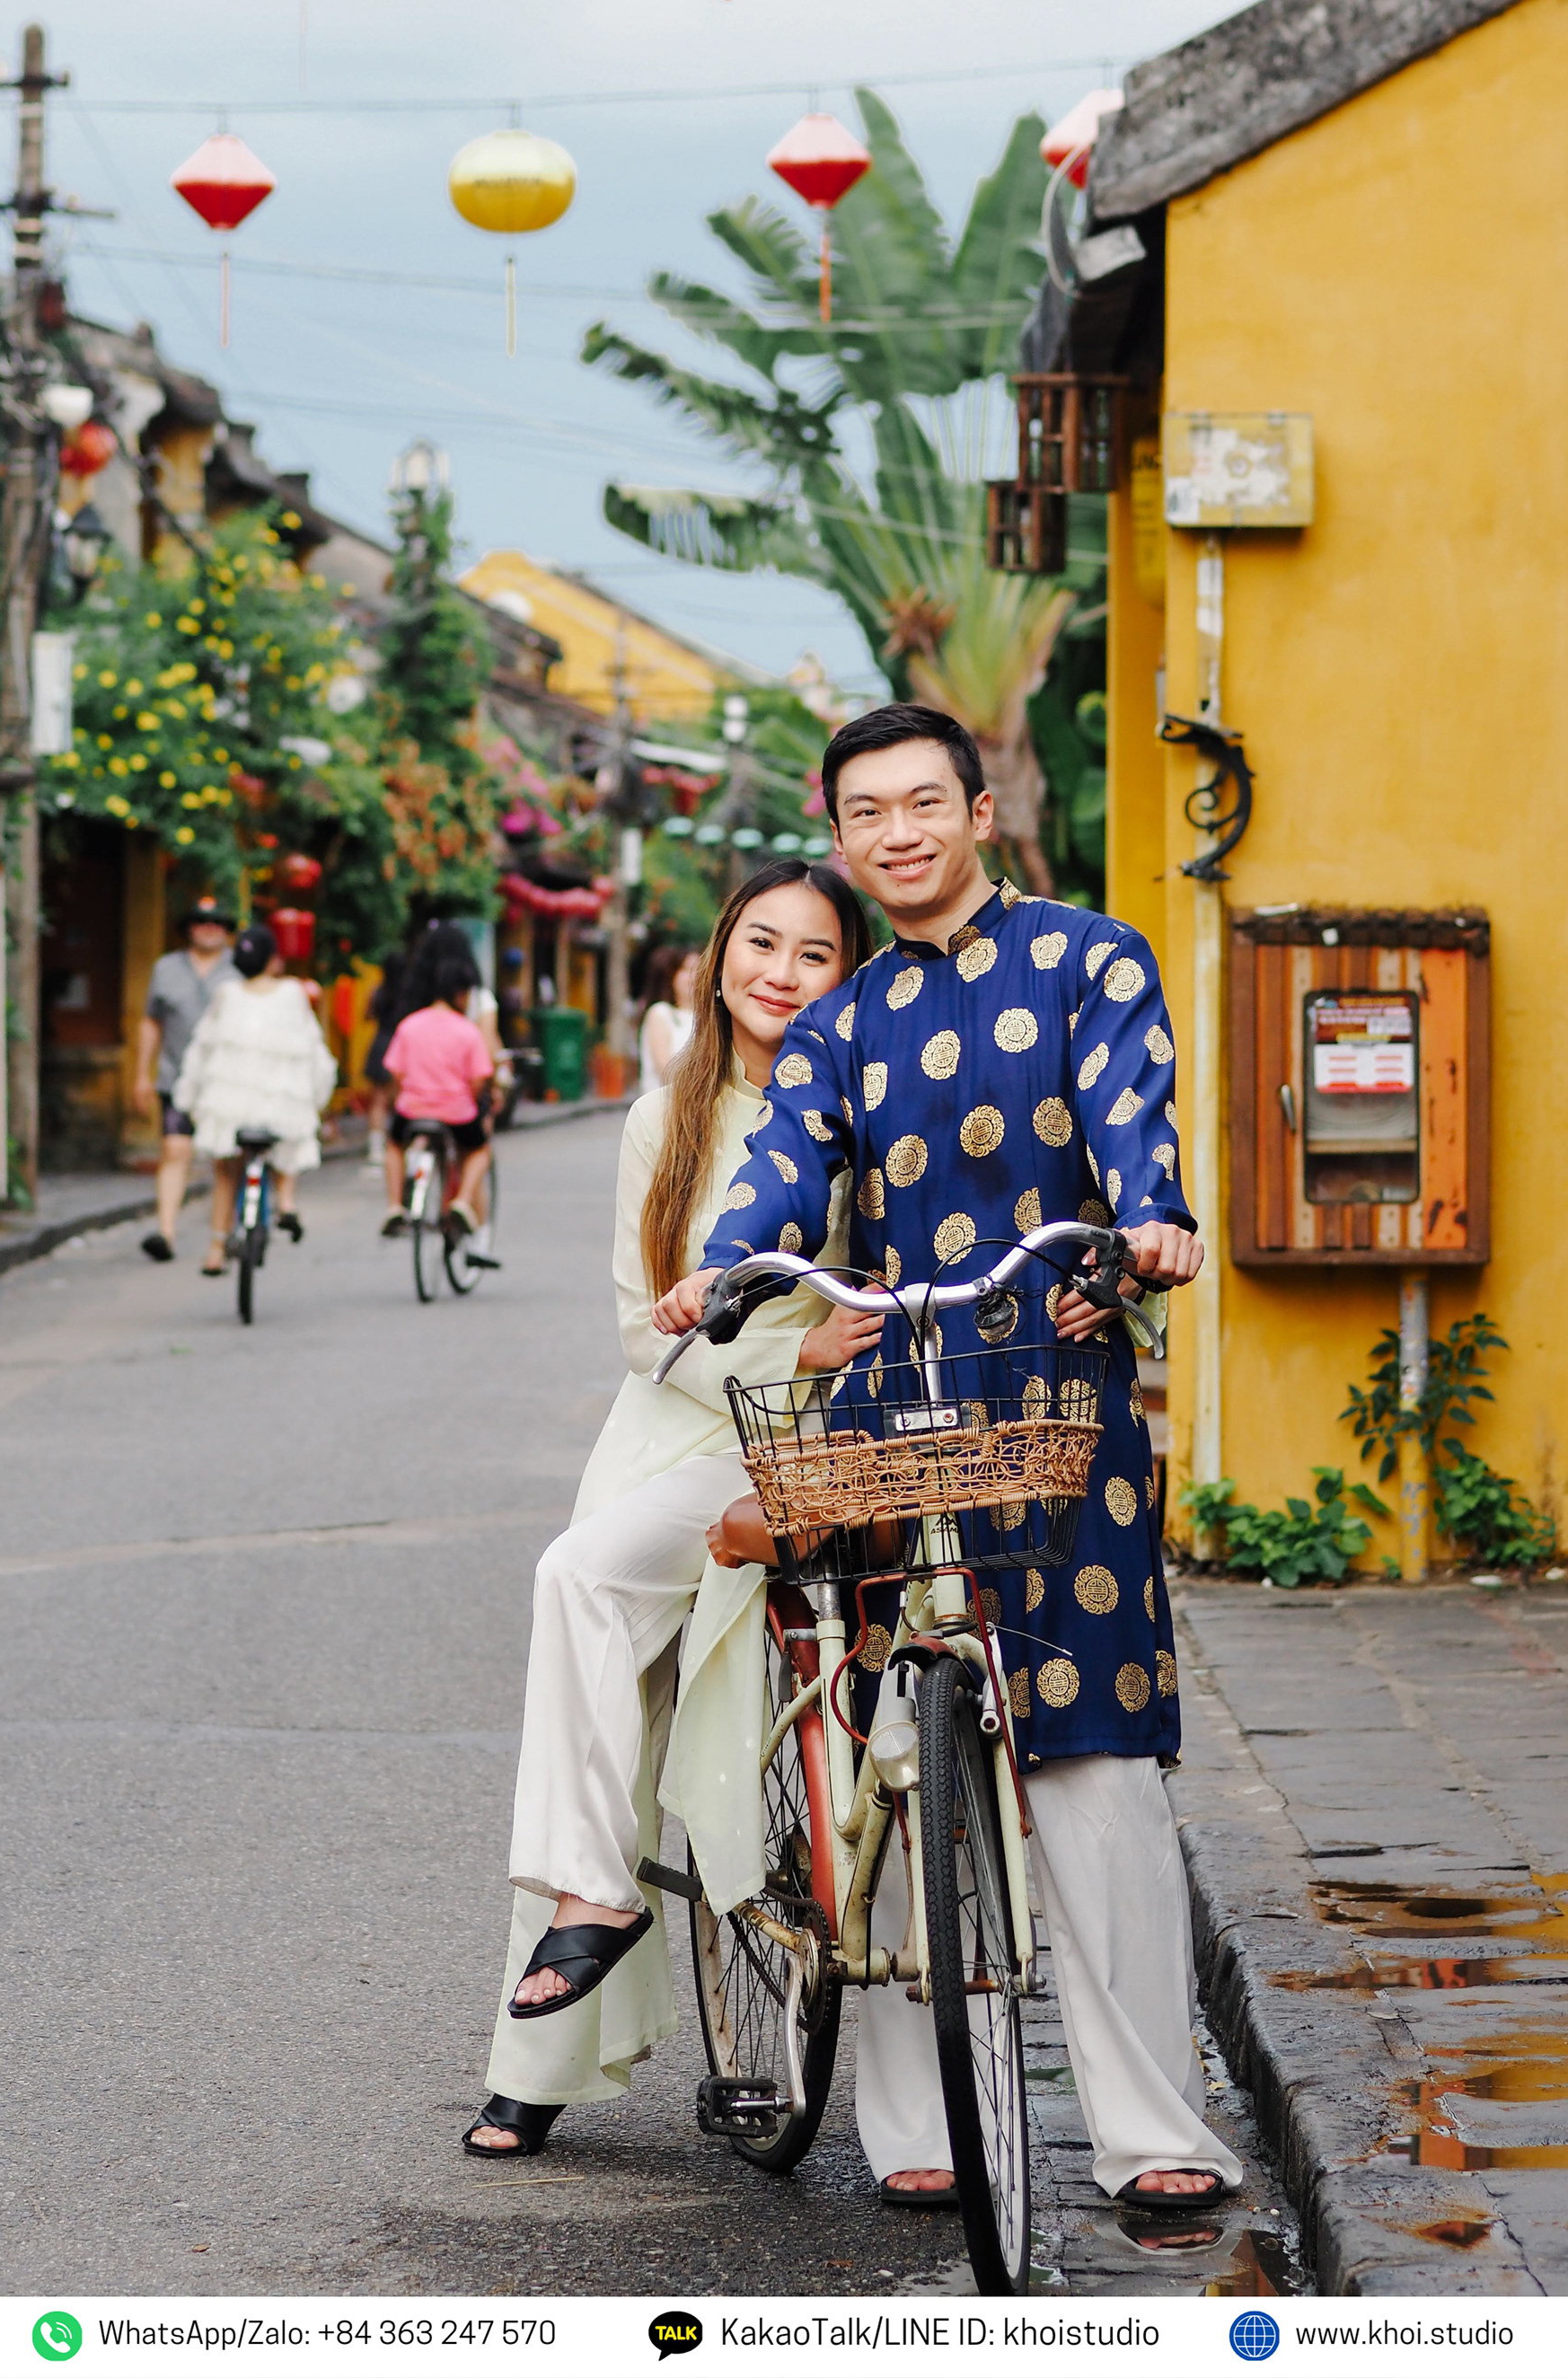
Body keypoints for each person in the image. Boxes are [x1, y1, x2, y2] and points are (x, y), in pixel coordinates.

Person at [653, 702, 1244, 2215]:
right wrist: (728, 1264)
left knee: (1097, 1765)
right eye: (868, 812)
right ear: (839, 834)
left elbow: (1132, 1121)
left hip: (1058, 1403)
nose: (898, 833)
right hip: (898, 1408)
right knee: (900, 1756)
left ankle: (1154, 2133)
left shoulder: (1091, 958)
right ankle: (915, 2121)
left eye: (924, 802)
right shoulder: (840, 1025)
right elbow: (787, 1163)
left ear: (980, 814)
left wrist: (1145, 1229)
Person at [462, 861, 888, 2167]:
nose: (781, 973)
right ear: (718, 958)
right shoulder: (667, 1118)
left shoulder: (872, 1102)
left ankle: (603, 1916)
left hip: (812, 1444)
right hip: (678, 1436)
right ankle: (567, 1978)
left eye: (814, 953)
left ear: (852, 976)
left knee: (595, 1596)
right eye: (760, 943)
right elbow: (640, 1327)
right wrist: (785, 1351)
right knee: (588, 1634)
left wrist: (818, 1368)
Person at [172, 923, 339, 1276]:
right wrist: (319, 1100)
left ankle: (215, 1249)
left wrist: (187, 1099)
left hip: (229, 1108)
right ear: (272, 960)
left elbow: (201, 1051)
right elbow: (314, 1054)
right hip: (279, 1108)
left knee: (225, 1172)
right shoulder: (292, 993)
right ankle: (287, 1202)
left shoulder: (226, 994)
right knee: (288, 1138)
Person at [133, 899, 239, 1263]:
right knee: (175, 1150)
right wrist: (141, 1074)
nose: (209, 929)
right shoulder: (166, 968)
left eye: (217, 923)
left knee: (225, 1160)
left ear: (226, 930)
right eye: (201, 922)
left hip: (226, 1081)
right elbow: (151, 1021)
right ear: (189, 928)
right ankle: (166, 1232)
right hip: (176, 1078)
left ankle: (220, 1239)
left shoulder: (239, 968)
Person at [380, 928, 498, 1243]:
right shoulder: (468, 1031)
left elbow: (395, 1071)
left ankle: (394, 1205)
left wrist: (407, 1095)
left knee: (393, 1144)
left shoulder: (410, 1024)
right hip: (457, 1113)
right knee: (479, 1150)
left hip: (412, 1111)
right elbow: (479, 1077)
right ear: (461, 995)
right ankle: (462, 1200)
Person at [360, 948, 406, 1176]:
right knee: (400, 1098)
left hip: (381, 1043)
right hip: (401, 1044)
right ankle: (398, 1145)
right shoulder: (408, 994)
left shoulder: (378, 991)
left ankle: (376, 1149)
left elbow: (367, 1015)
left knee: (377, 1100)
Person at [637, 945, 700, 1094]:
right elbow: (666, 1071)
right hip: (666, 1103)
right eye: (687, 970)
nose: (694, 977)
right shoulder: (661, 1013)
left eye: (700, 970)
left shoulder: (709, 1017)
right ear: (673, 975)